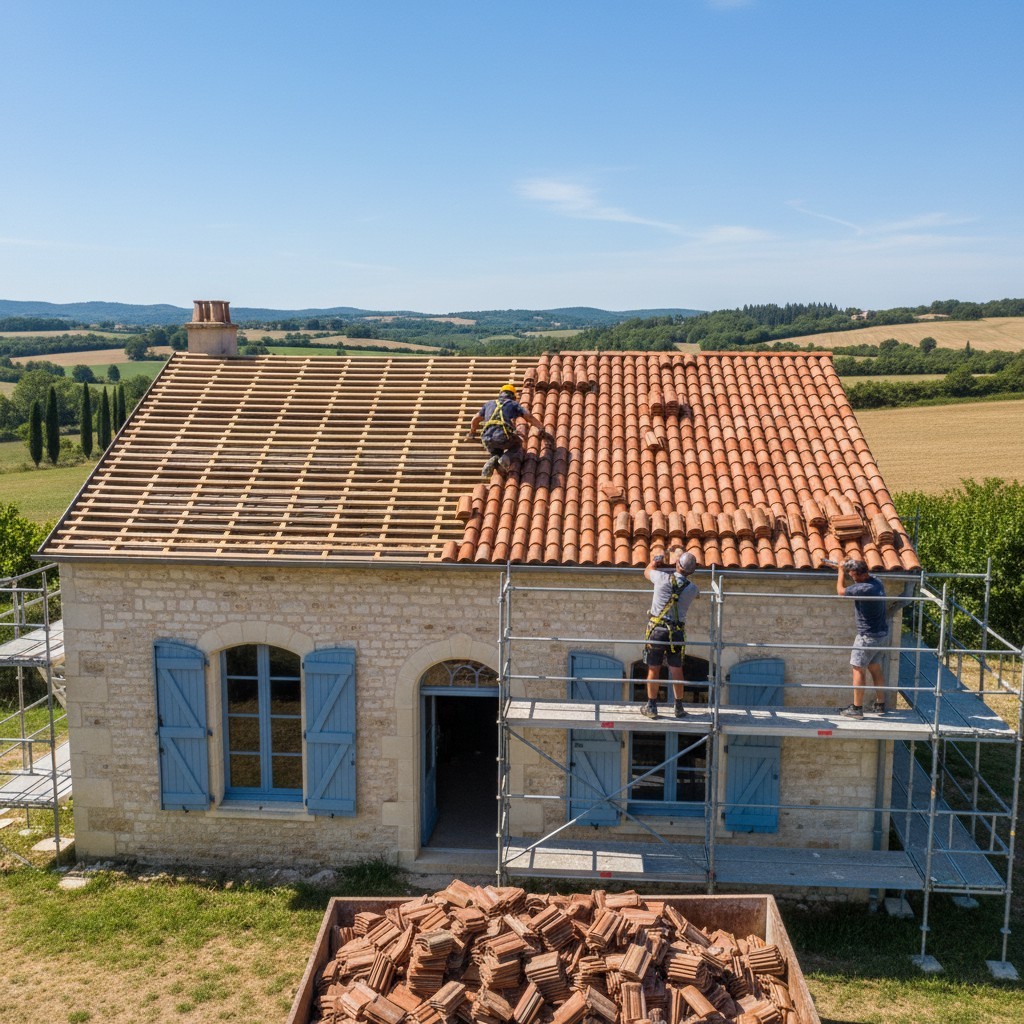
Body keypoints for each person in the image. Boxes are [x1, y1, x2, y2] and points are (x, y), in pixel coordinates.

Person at [641, 547, 700, 719]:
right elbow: (696, 594)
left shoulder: (661, 578)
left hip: (657, 631)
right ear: (692, 571)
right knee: (676, 669)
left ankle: (651, 706)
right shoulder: (693, 589)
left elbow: (647, 572)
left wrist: (655, 562)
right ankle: (679, 707)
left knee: (654, 668)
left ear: (677, 564)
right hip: (676, 633)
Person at [837, 558, 889, 719]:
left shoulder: (864, 588)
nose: (853, 579)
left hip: (867, 637)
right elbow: (858, 576)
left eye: (853, 576)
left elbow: (841, 591)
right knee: (875, 667)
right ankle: (880, 704)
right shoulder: (877, 582)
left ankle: (857, 709)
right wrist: (848, 566)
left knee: (858, 668)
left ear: (861, 575)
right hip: (881, 635)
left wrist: (840, 571)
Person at [467, 383, 552, 478]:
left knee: (497, 451)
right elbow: (528, 416)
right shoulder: (512, 404)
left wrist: (472, 432)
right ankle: (504, 459)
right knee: (517, 445)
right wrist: (540, 427)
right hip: (502, 436)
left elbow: (475, 419)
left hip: (487, 438)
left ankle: (494, 458)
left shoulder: (489, 404)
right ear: (513, 396)